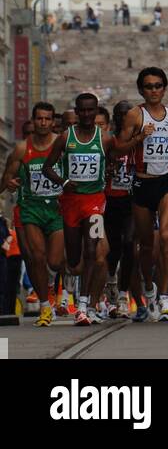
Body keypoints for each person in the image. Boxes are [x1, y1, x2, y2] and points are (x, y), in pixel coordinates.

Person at [43, 92, 133, 324]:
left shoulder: (104, 139)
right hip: (71, 203)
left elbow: (118, 155)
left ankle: (83, 306)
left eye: (90, 110)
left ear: (96, 111)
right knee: (74, 261)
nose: (85, 114)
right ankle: (75, 284)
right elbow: (47, 168)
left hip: (94, 202)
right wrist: (63, 182)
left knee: (93, 249)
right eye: (81, 110)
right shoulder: (66, 138)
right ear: (77, 111)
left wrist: (139, 137)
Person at [117, 66, 168, 321]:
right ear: (141, 90)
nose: (154, 90)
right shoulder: (135, 115)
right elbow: (118, 149)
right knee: (146, 244)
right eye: (149, 86)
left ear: (165, 88)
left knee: (166, 236)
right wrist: (137, 138)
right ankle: (149, 285)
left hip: (167, 182)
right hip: (141, 184)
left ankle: (165, 295)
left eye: (158, 86)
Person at [0, 102, 65, 327]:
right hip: (31, 208)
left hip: (57, 208)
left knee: (55, 262)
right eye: (39, 118)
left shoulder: (61, 143)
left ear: (53, 121)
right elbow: (6, 178)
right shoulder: (21, 149)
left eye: (48, 119)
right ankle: (46, 307)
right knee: (36, 256)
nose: (43, 123)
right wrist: (7, 183)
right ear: (34, 120)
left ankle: (48, 287)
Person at [104, 100, 137, 319]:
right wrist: (108, 168)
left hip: (132, 201)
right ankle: (112, 283)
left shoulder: (140, 141)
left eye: (128, 114)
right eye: (120, 114)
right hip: (110, 200)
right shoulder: (109, 141)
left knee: (129, 244)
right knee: (113, 247)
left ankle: (124, 295)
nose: (124, 117)